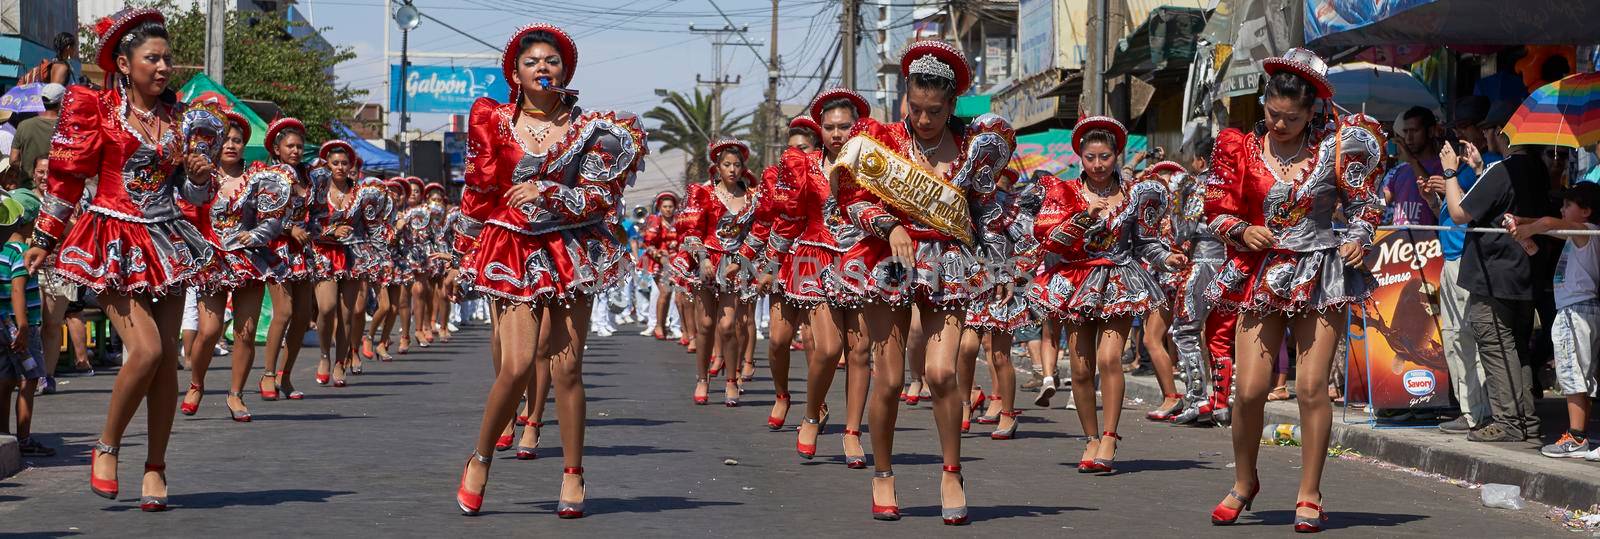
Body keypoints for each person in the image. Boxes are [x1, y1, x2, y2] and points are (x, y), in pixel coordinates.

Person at [25, 8, 220, 511]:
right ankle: (107, 444)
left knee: (166, 369)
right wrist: (45, 234)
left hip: (169, 243)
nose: (162, 67)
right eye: (152, 58)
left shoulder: (182, 122)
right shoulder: (96, 109)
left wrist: (198, 174)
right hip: (110, 239)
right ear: (125, 63)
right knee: (148, 350)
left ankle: (155, 466)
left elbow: (195, 197)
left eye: (167, 59)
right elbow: (68, 179)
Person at [452, 23, 646, 518]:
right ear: (515, 72)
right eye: (532, 60)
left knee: (567, 368)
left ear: (566, 70)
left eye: (552, 61)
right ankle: (480, 458)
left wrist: (549, 192)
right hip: (510, 248)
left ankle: (574, 474)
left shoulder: (593, 131)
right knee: (516, 366)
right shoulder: (492, 120)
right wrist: (460, 254)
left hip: (570, 249)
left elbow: (603, 199)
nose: (543, 67)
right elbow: (478, 191)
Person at [827, 41, 1013, 524]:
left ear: (952, 105)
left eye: (935, 110)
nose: (925, 119)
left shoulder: (974, 147)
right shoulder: (882, 140)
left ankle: (952, 471)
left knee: (941, 373)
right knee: (887, 380)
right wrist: (889, 226)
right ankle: (883, 473)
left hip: (949, 262)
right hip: (889, 258)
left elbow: (987, 212)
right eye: (916, 107)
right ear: (904, 98)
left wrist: (1001, 268)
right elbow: (851, 196)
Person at [1203, 48, 1385, 533]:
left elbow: (1367, 205)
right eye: (1271, 114)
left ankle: (1310, 493)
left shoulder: (1336, 150)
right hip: (1261, 274)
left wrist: (1357, 240)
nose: (1278, 124)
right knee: (1250, 390)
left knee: (1309, 388)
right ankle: (1244, 482)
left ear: (1311, 113)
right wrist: (1242, 230)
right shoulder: (1238, 149)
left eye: (1290, 117)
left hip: (1321, 273)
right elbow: (1214, 208)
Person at [1031, 116, 1182, 473]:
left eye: (1105, 157)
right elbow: (1049, 240)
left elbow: (1146, 243)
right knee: (1081, 370)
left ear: (1117, 155)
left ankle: (1111, 435)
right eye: (1090, 158)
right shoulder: (1063, 192)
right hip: (1075, 282)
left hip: (1119, 280)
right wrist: (1083, 218)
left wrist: (1167, 257)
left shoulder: (1135, 193)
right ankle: (1091, 438)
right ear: (1080, 158)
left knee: (1109, 358)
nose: (1098, 165)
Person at [771, 88, 872, 467]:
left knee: (860, 352)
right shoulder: (804, 165)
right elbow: (790, 216)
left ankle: (852, 433)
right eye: (828, 127)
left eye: (844, 126)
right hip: (815, 259)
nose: (836, 133)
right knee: (828, 348)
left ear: (856, 127)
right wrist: (770, 261)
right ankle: (812, 415)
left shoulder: (873, 166)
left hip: (863, 259)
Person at [1435, 137, 1557, 444]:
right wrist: (1479, 171)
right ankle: (1524, 419)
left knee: (1496, 346)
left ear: (1507, 137)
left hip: (1494, 273)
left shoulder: (1505, 169)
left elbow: (1460, 213)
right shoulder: (1537, 171)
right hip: (1521, 272)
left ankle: (1508, 422)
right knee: (1517, 348)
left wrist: (1450, 173)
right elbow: (1495, 205)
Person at [181, 108, 288, 420]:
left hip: (248, 260)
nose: (231, 145)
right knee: (210, 330)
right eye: (225, 139)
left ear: (244, 145)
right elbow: (189, 207)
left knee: (245, 330)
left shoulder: (260, 177)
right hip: (212, 260)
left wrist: (252, 236)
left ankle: (236, 394)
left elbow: (273, 220)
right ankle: (196, 382)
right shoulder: (202, 173)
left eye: (237, 140)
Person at [1504, 183, 1600, 458]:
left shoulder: (1586, 231)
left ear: (1585, 211)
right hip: (1579, 309)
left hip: (1575, 310)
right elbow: (1547, 224)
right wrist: (1524, 222)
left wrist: (1528, 228)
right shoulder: (1579, 233)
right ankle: (1578, 433)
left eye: (1568, 205)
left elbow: (1547, 223)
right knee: (1580, 374)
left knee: (1572, 373)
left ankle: (1577, 436)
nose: (1562, 210)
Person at [672, 138, 759, 406]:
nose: (732, 170)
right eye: (726, 165)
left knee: (728, 326)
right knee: (707, 326)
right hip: (706, 264)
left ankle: (731, 380)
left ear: (743, 168)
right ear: (717, 167)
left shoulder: (753, 197)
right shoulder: (703, 194)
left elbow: (758, 233)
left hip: (736, 266)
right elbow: (690, 230)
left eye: (736, 165)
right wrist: (703, 258)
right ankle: (702, 378)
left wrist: (742, 261)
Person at [750, 115, 821, 431]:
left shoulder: (827, 176)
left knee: (814, 342)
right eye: (791, 148)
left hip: (820, 266)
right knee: (779, 340)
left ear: (816, 149)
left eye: (804, 148)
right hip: (783, 265)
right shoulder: (775, 179)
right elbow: (765, 222)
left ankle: (815, 405)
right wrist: (746, 258)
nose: (796, 155)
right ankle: (782, 394)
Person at [960, 167, 1041, 439]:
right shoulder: (963, 201)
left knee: (999, 354)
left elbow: (1029, 245)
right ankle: (964, 403)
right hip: (971, 284)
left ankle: (1007, 413)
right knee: (966, 348)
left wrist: (1014, 275)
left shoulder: (1012, 207)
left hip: (1001, 289)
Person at [1430, 99, 1492, 434]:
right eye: (1456, 129)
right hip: (1450, 257)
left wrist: (1453, 177)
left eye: (1465, 127)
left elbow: (1478, 206)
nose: (1459, 135)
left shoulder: (1490, 165)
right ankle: (1468, 410)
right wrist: (1438, 193)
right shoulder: (1464, 167)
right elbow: (1451, 210)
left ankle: (1481, 411)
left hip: (1469, 261)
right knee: (1454, 338)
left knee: (1471, 337)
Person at [257, 118, 318, 401]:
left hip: (303, 252)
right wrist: (289, 228)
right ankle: (267, 374)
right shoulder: (271, 175)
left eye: (299, 146)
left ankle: (286, 376)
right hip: (278, 249)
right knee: (284, 311)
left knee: (304, 316)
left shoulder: (309, 176)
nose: (295, 150)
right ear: (277, 149)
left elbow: (318, 214)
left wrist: (320, 229)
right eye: (289, 146)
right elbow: (261, 215)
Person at [0, 188, 51, 457]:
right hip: (21, 328)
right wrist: (22, 326)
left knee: (5, 380)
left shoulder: (2, 251)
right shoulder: (20, 252)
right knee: (29, 381)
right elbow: (18, 288)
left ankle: (4, 434)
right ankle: (24, 438)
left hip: (2, 323)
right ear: (31, 220)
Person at [1385, 106, 1445, 226]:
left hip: (1429, 243)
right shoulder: (1401, 170)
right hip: (1400, 242)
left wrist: (1412, 161)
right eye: (1406, 132)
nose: (1408, 138)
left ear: (1431, 131)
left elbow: (1437, 196)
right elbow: (1384, 200)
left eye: (1414, 131)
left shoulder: (1443, 165)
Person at [640, 192, 681, 340]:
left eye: (671, 206)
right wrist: (659, 256)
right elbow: (647, 244)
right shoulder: (655, 221)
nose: (668, 209)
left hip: (677, 262)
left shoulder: (679, 221)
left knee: (675, 295)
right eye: (665, 206)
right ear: (659, 207)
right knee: (664, 292)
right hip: (659, 262)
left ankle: (665, 326)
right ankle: (658, 326)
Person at [9, 83, 64, 189]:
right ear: (61, 102)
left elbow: (13, 160)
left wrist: (29, 170)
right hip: (57, 190)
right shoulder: (66, 128)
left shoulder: (24, 125)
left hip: (27, 188)